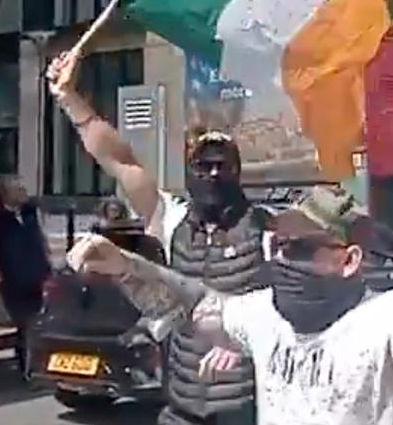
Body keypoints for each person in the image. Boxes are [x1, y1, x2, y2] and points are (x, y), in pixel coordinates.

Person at [67, 185, 393, 425]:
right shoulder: (264, 315)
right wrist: (124, 266)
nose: (282, 257)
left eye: (300, 248)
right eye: (278, 244)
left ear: (349, 260)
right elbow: (193, 305)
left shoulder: (387, 319)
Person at [48, 52, 265, 425]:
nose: (213, 174)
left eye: (222, 165)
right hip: (181, 404)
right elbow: (120, 160)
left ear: (238, 172)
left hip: (243, 406)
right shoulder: (171, 217)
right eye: (203, 165)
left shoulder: (265, 228)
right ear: (190, 172)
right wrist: (70, 99)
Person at [0, 176, 51, 378]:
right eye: (18, 189)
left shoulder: (30, 213)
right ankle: (28, 370)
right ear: (5, 194)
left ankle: (35, 367)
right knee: (27, 326)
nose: (24, 192)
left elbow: (41, 241)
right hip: (14, 281)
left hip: (39, 276)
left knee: (40, 323)